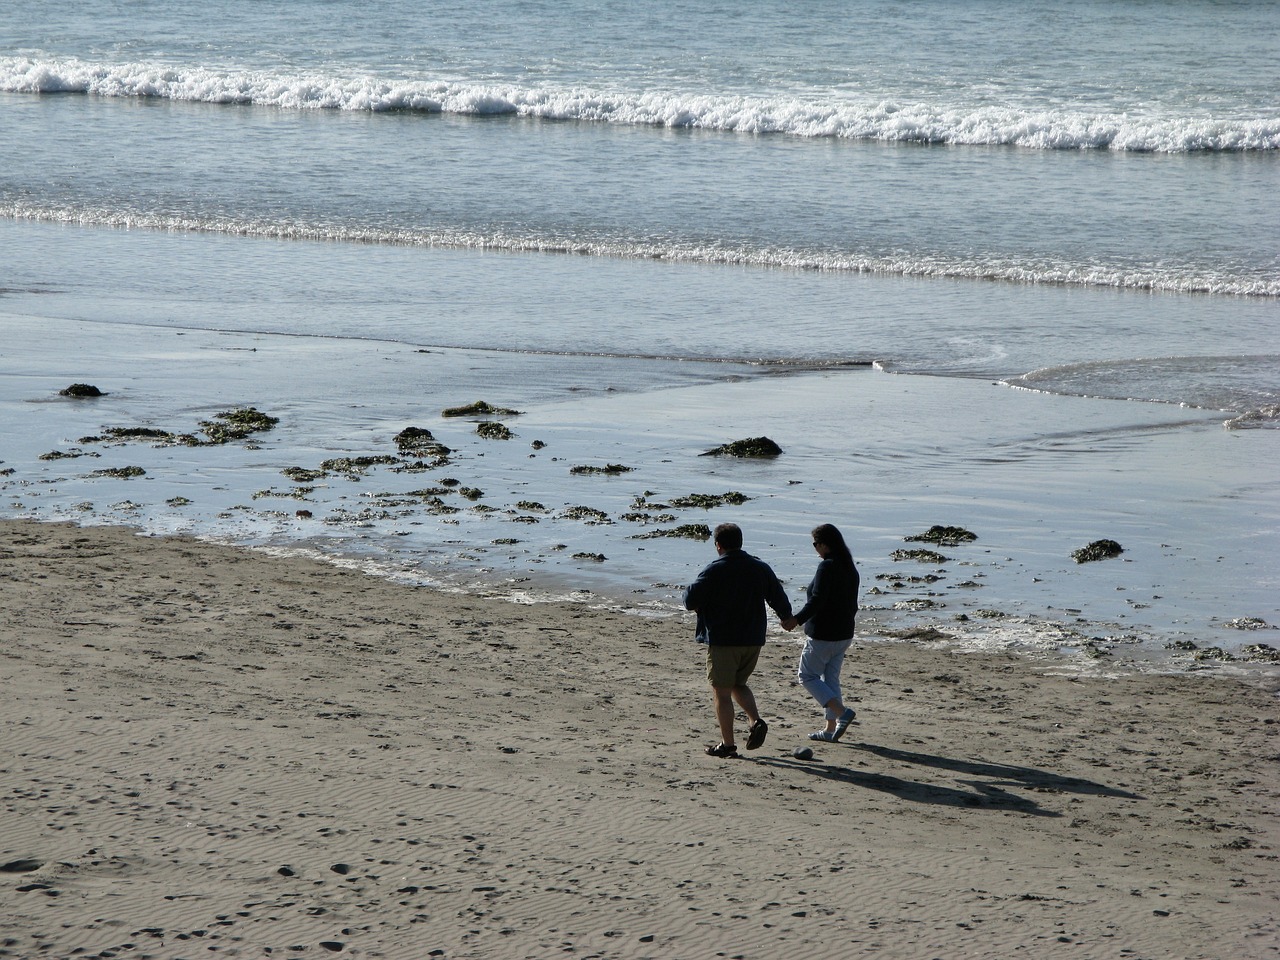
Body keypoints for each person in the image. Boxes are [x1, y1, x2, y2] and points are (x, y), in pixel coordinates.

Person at [684, 522, 793, 759]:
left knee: (721, 691)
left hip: (725, 639)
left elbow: (690, 599)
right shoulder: (760, 568)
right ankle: (755, 721)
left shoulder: (715, 570)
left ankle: (728, 744)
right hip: (753, 639)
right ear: (740, 542)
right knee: (737, 684)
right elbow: (777, 595)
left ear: (718, 545)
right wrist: (786, 617)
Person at [782, 523, 860, 742]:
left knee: (807, 676)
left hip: (824, 634)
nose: (815, 548)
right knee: (830, 679)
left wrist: (796, 619)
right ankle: (829, 729)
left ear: (825, 545)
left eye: (815, 544)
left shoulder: (827, 567)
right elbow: (851, 604)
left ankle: (843, 713)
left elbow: (818, 600)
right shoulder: (849, 566)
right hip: (844, 634)